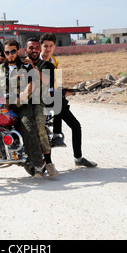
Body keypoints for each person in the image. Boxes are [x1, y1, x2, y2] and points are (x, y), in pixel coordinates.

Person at [0, 39, 46, 178]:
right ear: (5, 53)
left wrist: (26, 92)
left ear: (18, 51)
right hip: (4, 105)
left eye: (13, 51)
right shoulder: (0, 69)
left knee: (27, 126)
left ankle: (37, 164)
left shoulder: (26, 67)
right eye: (7, 52)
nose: (10, 54)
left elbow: (32, 82)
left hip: (21, 105)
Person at [39, 33, 98, 168]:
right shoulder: (35, 61)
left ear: (54, 47)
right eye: (45, 46)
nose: (48, 49)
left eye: (51, 46)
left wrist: (62, 90)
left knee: (76, 126)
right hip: (39, 100)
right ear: (41, 46)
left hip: (54, 99)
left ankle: (78, 158)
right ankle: (55, 138)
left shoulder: (54, 61)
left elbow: (54, 84)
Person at [24, 37, 59, 178]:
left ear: (40, 49)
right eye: (30, 48)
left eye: (36, 47)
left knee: (39, 125)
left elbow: (47, 82)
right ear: (25, 50)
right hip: (22, 102)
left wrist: (32, 67)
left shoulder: (47, 65)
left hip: (39, 101)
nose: (34, 50)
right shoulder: (21, 64)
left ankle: (48, 163)